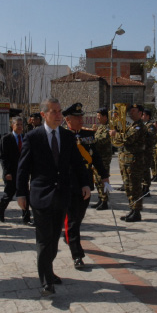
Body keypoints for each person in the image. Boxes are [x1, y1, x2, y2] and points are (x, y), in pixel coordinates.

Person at [16, 98, 91, 296]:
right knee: (43, 239)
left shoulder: (67, 137)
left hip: (62, 195)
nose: (59, 115)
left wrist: (85, 183)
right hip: (40, 196)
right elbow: (22, 168)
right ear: (43, 115)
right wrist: (21, 193)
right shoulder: (33, 137)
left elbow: (77, 162)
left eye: (59, 111)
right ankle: (46, 281)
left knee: (55, 239)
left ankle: (49, 270)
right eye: (54, 111)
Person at [63, 103, 110, 268]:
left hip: (86, 181)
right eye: (77, 117)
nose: (81, 119)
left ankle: (68, 235)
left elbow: (95, 157)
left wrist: (104, 177)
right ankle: (77, 255)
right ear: (68, 120)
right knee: (73, 221)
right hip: (68, 183)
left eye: (81, 116)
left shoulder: (88, 135)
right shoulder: (62, 136)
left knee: (78, 217)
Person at [109, 104, 147, 222]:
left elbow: (128, 138)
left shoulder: (139, 127)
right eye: (130, 111)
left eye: (134, 111)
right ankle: (132, 209)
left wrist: (116, 134)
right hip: (127, 160)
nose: (131, 113)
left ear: (140, 113)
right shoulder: (132, 126)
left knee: (134, 186)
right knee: (128, 186)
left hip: (135, 162)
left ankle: (137, 211)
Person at [0, 117, 32, 225]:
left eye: (21, 125)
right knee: (8, 194)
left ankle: (26, 218)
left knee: (25, 195)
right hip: (11, 173)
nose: (20, 127)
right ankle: (1, 212)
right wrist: (6, 172)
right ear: (12, 125)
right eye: (18, 125)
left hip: (23, 173)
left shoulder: (25, 138)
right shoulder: (6, 139)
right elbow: (3, 158)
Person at [92, 107, 112, 211]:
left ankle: (105, 201)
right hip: (98, 157)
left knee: (103, 179)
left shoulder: (108, 127)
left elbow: (102, 140)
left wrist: (91, 140)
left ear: (105, 116)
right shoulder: (100, 127)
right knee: (97, 180)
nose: (97, 118)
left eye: (99, 116)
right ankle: (100, 198)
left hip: (104, 158)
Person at [141, 109, 156, 197]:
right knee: (142, 170)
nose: (142, 116)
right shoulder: (143, 125)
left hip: (147, 152)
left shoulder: (150, 126)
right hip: (142, 152)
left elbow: (149, 136)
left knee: (146, 170)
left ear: (148, 116)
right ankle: (143, 187)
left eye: (143, 115)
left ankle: (146, 188)